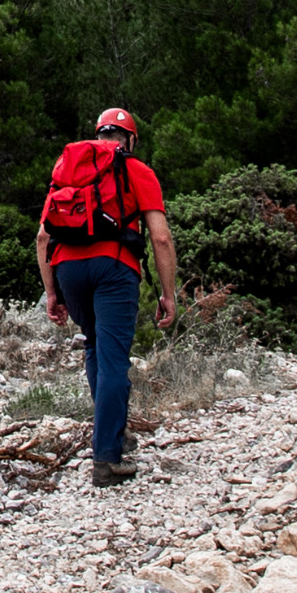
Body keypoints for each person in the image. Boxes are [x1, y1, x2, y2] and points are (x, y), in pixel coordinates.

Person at [39, 106, 180, 486]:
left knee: (94, 345)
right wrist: (169, 294)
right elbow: (161, 237)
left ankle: (113, 430)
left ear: (99, 136)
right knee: (115, 359)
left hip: (67, 267)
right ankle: (107, 460)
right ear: (130, 140)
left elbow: (42, 237)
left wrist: (52, 291)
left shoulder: (68, 168)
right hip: (115, 267)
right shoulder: (137, 170)